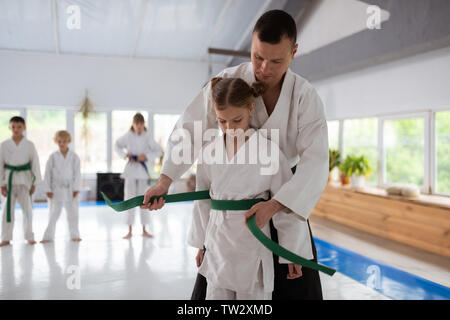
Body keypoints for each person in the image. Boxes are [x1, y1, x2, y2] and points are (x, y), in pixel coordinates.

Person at [142, 10, 329, 300]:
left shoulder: (304, 97)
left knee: (294, 288)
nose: (264, 68)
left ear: (294, 53)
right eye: (257, 57)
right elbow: (190, 129)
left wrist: (276, 205)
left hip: (282, 205)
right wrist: (165, 180)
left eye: (276, 61)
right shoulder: (227, 82)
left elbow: (315, 164)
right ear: (251, 46)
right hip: (227, 224)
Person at [188, 77, 312, 300]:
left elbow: (284, 202)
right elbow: (203, 201)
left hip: (252, 244)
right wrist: (201, 243)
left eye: (237, 120)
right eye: (222, 121)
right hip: (218, 244)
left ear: (250, 109)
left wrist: (292, 252)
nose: (230, 128)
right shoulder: (209, 152)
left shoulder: (268, 151)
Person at [115, 113, 163, 239]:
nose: (139, 126)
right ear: (133, 124)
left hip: (142, 172)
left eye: (141, 124)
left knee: (144, 199)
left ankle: (144, 229)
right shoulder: (128, 135)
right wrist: (125, 155)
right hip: (130, 171)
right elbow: (117, 145)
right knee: (129, 199)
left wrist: (146, 156)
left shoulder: (148, 136)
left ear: (143, 124)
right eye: (137, 124)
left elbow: (159, 151)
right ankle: (129, 230)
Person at [0, 116, 42, 247]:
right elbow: (0, 164)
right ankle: (5, 238)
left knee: (28, 210)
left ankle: (29, 236)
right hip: (9, 181)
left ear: (24, 128)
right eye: (13, 127)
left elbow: (35, 163)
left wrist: (34, 183)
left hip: (25, 181)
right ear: (9, 128)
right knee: (7, 210)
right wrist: (1, 184)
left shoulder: (29, 145)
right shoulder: (4, 145)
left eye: (19, 127)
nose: (16, 129)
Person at [40, 130, 81, 243]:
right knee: (53, 213)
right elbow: (47, 173)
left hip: (70, 188)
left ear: (68, 141)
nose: (61, 144)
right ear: (56, 142)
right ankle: (48, 236)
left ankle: (75, 235)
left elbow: (77, 173)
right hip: (56, 188)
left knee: (73, 213)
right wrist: (47, 189)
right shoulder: (52, 157)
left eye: (64, 141)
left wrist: (76, 188)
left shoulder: (74, 157)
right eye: (59, 141)